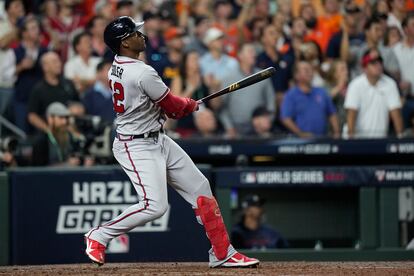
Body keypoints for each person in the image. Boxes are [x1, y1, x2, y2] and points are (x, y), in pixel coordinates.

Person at [84, 16, 259, 268]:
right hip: (135, 145)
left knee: (200, 188)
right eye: (134, 33)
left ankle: (222, 252)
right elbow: (174, 109)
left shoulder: (119, 64)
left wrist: (179, 105)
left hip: (157, 138)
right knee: (154, 207)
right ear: (124, 43)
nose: (140, 35)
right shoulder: (142, 72)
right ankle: (99, 235)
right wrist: (189, 104)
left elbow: (163, 106)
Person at [344, 48, 403, 138]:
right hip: (358, 141)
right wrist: (351, 142)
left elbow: (396, 114)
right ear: (364, 67)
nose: (378, 65)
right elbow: (351, 116)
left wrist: (400, 138)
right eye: (373, 62)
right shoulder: (355, 85)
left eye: (380, 61)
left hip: (381, 141)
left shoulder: (390, 84)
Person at [219, 44, 275, 137]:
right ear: (240, 55)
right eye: (250, 52)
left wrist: (268, 121)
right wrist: (228, 126)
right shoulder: (229, 78)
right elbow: (222, 107)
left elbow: (271, 102)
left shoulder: (263, 75)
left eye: (254, 52)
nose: (254, 54)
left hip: (261, 129)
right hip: (236, 129)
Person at [281, 60, 340, 138]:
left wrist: (336, 132)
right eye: (306, 70)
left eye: (311, 69)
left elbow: (332, 113)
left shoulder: (321, 92)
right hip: (299, 142)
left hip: (323, 139)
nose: (310, 72)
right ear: (296, 75)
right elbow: (285, 118)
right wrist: (300, 133)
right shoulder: (291, 95)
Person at [27, 51, 79, 134]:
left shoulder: (68, 84)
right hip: (48, 134)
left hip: (71, 130)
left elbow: (79, 104)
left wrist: (77, 109)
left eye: (59, 61)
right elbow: (32, 116)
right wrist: (48, 130)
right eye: (55, 62)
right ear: (45, 67)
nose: (59, 64)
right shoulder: (38, 89)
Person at [31, 102, 83, 166]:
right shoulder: (41, 141)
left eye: (66, 118)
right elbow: (37, 170)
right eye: (60, 117)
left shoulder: (70, 138)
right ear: (50, 118)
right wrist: (66, 165)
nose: (64, 122)